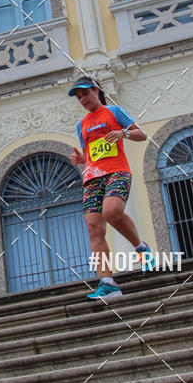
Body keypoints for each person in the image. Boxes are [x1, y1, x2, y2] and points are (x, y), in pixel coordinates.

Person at [69, 77, 155, 301]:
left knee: (112, 211)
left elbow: (141, 134)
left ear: (96, 90)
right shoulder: (82, 125)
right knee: (94, 228)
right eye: (79, 98)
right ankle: (108, 283)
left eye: (85, 94)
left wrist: (122, 133)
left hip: (117, 171)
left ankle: (142, 248)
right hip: (92, 178)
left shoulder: (115, 112)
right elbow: (90, 153)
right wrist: (81, 159)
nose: (83, 100)